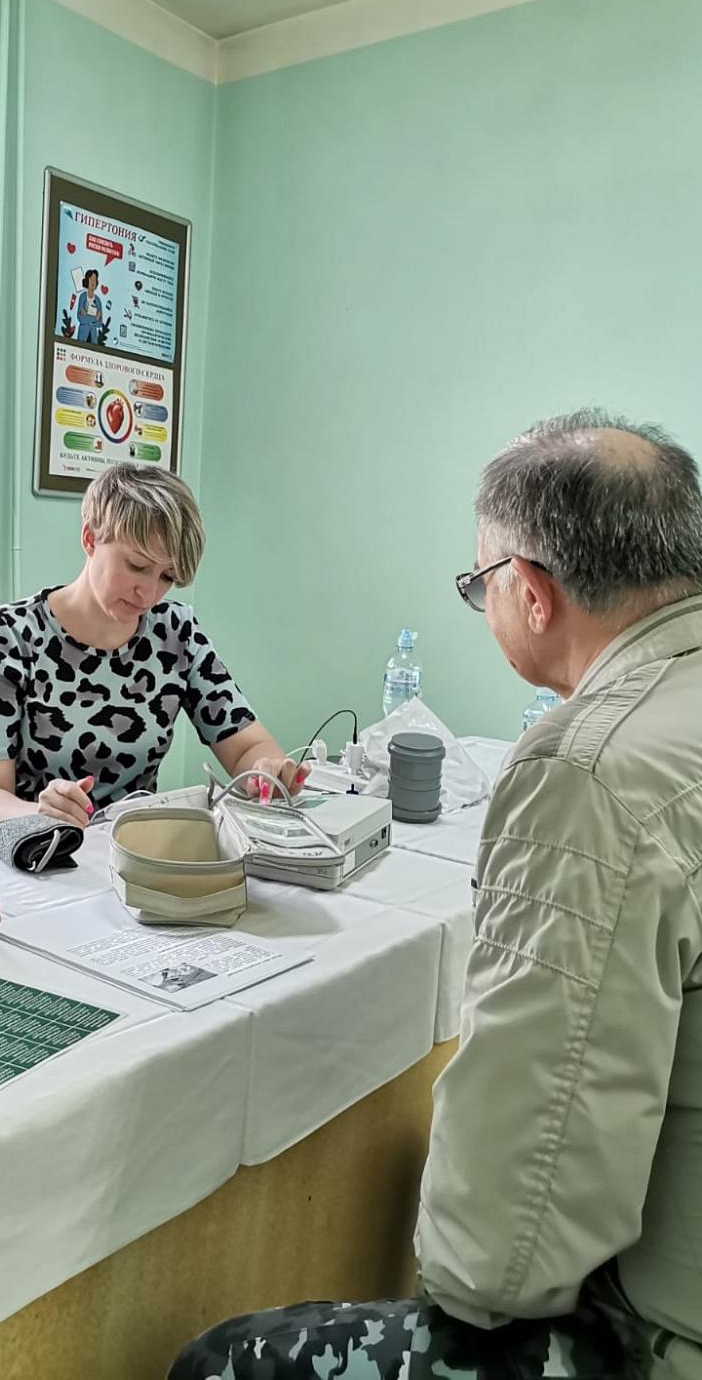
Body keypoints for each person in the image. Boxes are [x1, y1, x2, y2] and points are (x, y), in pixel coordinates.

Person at [170, 410, 702, 1380]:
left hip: (664, 1338)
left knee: (221, 1362)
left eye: (479, 585)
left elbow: (520, 1202)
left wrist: (460, 1303)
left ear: (531, 594)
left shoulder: (593, 768)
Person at [0, 463, 306, 855]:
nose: (148, 592)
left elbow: (247, 746)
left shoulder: (175, 633)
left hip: (118, 850)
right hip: (4, 842)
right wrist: (39, 813)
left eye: (167, 576)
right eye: (137, 566)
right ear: (90, 539)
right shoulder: (8, 634)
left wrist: (265, 769)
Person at [75, 268, 104, 343]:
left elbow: (99, 323)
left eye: (95, 280)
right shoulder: (82, 297)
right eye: (91, 279)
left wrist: (87, 317)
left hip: (93, 337)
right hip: (82, 336)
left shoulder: (98, 300)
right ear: (87, 280)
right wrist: (95, 318)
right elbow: (80, 318)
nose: (93, 282)